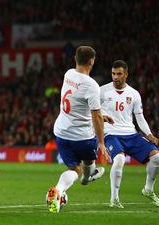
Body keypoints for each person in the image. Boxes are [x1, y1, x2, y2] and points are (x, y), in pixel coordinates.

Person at [46, 46, 112, 213]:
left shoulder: (68, 74)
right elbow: (95, 115)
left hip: (62, 133)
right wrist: (102, 142)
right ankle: (88, 176)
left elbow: (77, 105)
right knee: (88, 166)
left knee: (74, 169)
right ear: (92, 61)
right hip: (82, 137)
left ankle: (59, 191)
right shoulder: (92, 85)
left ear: (75, 58)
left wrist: (100, 117)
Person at [101, 60, 159, 208]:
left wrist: (149, 134)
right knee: (120, 159)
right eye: (113, 74)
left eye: (119, 74)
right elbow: (93, 112)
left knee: (156, 156)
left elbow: (139, 117)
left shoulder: (134, 94)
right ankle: (114, 199)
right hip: (111, 134)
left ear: (126, 75)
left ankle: (148, 189)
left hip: (131, 134)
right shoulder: (101, 91)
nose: (115, 77)